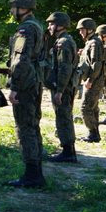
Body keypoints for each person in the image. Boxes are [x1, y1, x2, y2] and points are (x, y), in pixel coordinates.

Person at [5, 0, 46, 188]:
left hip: (25, 84)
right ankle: (36, 171)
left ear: (22, 8)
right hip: (34, 81)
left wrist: (14, 87)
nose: (11, 11)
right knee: (33, 124)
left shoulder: (25, 29)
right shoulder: (37, 26)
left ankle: (32, 175)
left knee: (25, 127)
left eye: (13, 7)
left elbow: (20, 60)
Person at [44, 12, 79, 163]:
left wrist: (59, 91)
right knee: (63, 116)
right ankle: (68, 150)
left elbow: (65, 68)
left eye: (51, 24)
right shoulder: (63, 41)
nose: (49, 27)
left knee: (63, 117)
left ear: (60, 26)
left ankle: (68, 152)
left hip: (63, 87)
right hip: (63, 86)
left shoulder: (63, 43)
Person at [76, 18, 104, 143]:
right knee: (93, 108)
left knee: (85, 107)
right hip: (93, 79)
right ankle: (95, 134)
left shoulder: (94, 43)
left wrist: (90, 80)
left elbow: (96, 64)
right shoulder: (91, 42)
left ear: (90, 30)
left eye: (82, 30)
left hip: (94, 80)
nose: (80, 32)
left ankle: (93, 133)